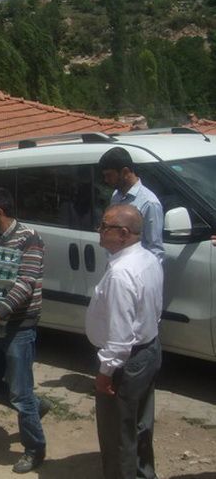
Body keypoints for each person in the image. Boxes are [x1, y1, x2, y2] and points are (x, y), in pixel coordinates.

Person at [86, 204, 163, 479]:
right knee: (140, 424)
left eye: (104, 226)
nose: (99, 230)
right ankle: (144, 474)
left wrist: (106, 373)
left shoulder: (122, 273)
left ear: (122, 233)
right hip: (149, 351)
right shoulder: (148, 259)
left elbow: (120, 338)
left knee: (117, 435)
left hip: (126, 363)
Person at [0, 188, 48, 474]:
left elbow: (26, 283)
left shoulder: (30, 239)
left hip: (18, 325)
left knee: (19, 392)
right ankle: (36, 406)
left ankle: (34, 447)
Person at [99, 147, 164, 261]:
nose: (106, 180)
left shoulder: (149, 203)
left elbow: (155, 249)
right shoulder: (116, 196)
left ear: (124, 172)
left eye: (109, 175)